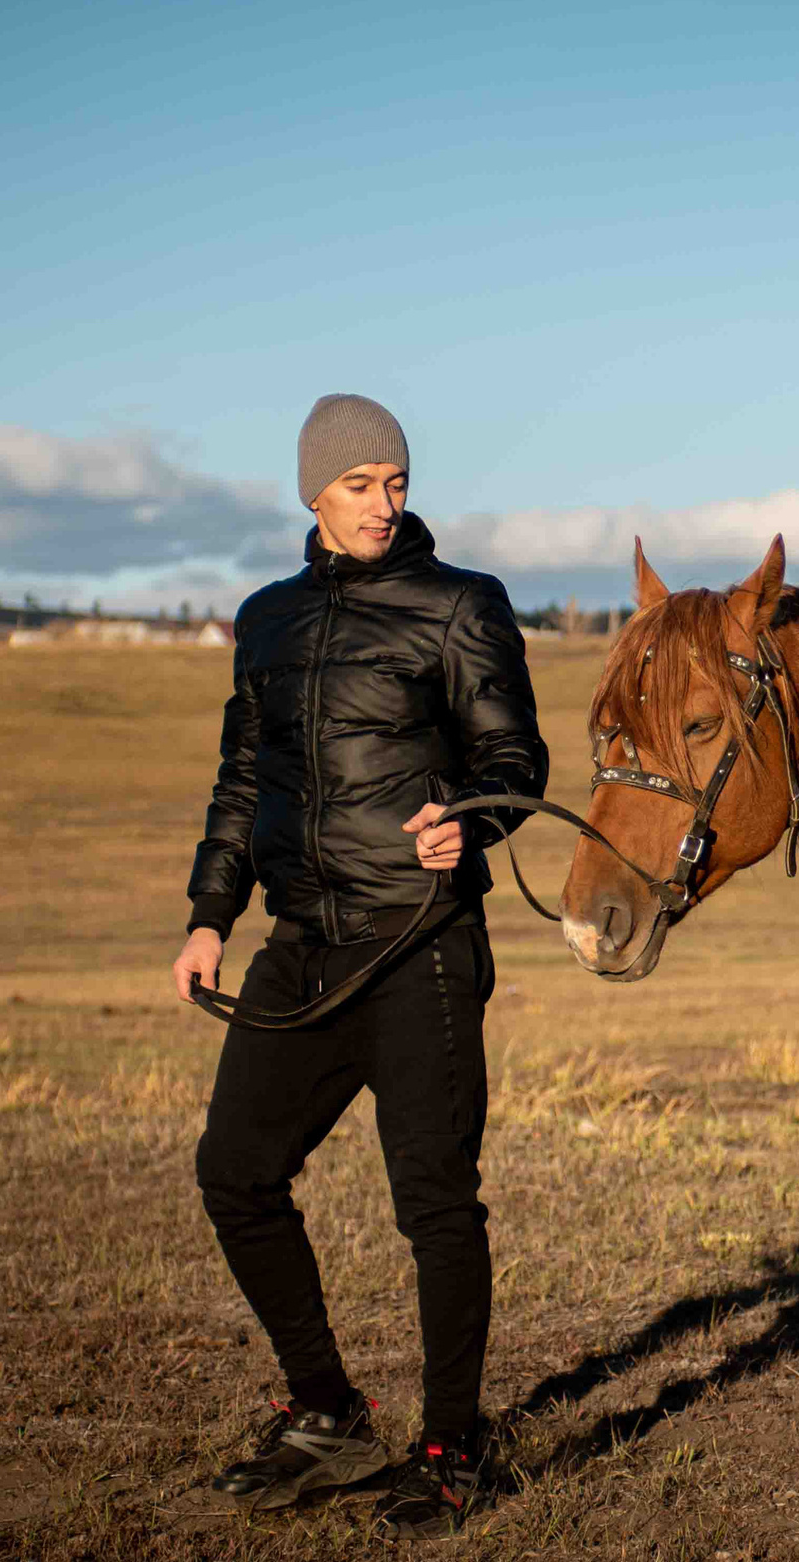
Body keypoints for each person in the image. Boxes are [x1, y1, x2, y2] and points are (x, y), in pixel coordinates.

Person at [172, 393, 548, 1538]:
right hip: (301, 944)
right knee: (234, 1170)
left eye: (396, 479)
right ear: (313, 494)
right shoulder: (265, 619)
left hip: (421, 943)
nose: (386, 502)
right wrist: (207, 914)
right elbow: (246, 778)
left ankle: (453, 1443)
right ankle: (327, 1408)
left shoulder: (459, 606)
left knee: (432, 1201)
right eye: (360, 484)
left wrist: (468, 822)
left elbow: (514, 758)